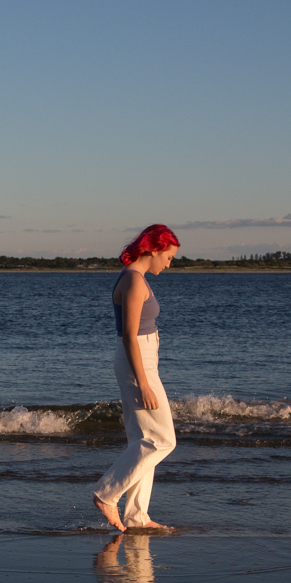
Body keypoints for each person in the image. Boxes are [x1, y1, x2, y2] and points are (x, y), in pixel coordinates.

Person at [91, 223, 180, 531]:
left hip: (142, 361)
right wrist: (143, 382)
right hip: (136, 363)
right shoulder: (132, 281)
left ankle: (136, 516)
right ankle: (106, 493)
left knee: (143, 441)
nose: (170, 263)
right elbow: (130, 336)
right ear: (153, 249)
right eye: (168, 256)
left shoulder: (138, 278)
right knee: (162, 440)